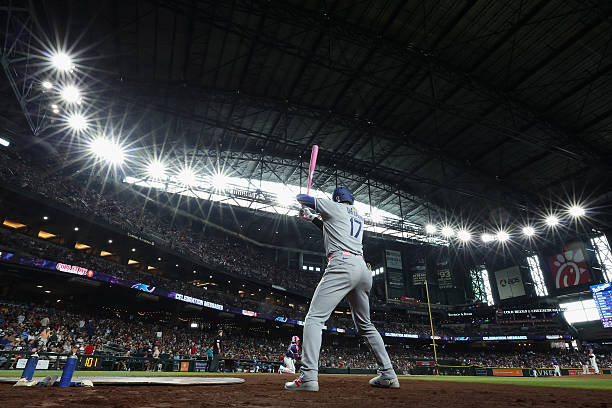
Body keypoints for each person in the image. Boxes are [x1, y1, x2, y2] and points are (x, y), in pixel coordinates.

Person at [285, 187, 399, 391]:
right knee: (366, 325)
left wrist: (305, 205)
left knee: (314, 319)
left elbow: (302, 197)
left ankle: (309, 377)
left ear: (337, 199)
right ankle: (388, 374)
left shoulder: (334, 206)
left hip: (342, 264)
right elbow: (332, 228)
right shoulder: (357, 215)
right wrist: (312, 218)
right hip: (363, 269)